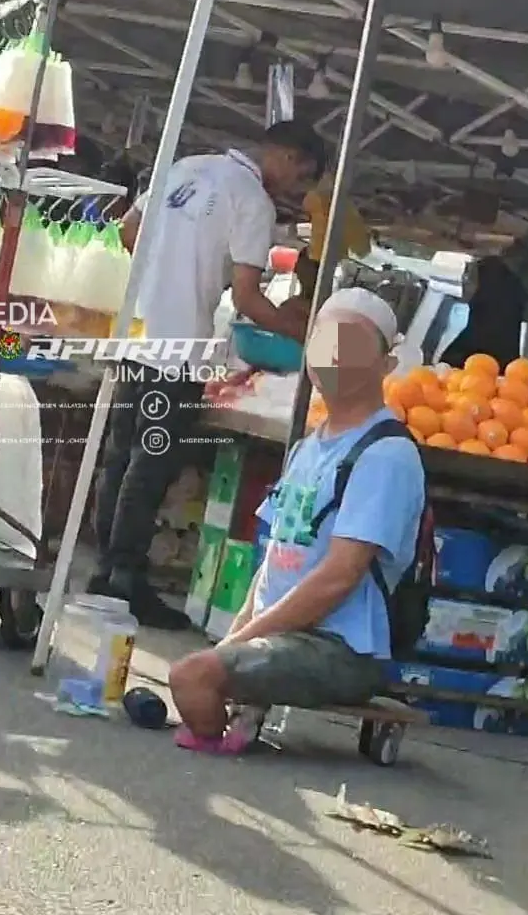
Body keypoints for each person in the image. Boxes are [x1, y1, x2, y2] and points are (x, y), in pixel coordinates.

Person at [89, 121, 327, 629]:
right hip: (182, 345)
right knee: (148, 463)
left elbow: (128, 231)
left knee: (120, 453)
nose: (297, 190)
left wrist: (163, 273)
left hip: (136, 332)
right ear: (284, 156)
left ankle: (104, 569)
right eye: (301, 176)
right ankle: (125, 578)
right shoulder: (254, 203)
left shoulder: (186, 167)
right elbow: (247, 298)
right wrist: (302, 330)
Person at [167, 287, 426, 751]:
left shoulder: (387, 455)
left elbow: (338, 578)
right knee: (197, 674)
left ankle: (218, 732)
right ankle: (227, 720)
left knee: (192, 677)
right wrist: (234, 640)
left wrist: (235, 648)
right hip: (282, 636)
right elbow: (274, 558)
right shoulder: (310, 447)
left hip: (339, 648)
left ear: (386, 365)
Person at [441, 255, 528, 370]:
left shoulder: (467, 355)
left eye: (469, 277)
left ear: (487, 290)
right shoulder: (511, 365)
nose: (463, 281)